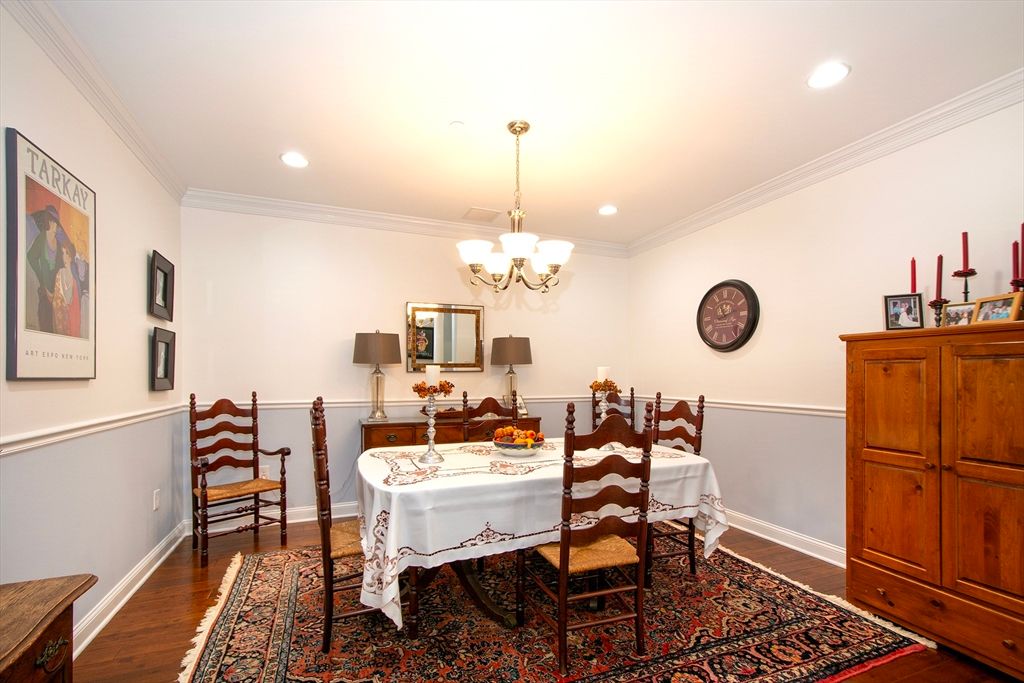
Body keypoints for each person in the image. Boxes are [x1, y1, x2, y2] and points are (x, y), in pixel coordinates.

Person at [25, 205, 63, 333]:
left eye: (55, 222)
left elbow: (60, 269)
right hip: (44, 293)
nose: (54, 225)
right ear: (48, 222)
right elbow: (31, 257)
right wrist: (43, 281)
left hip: (56, 297)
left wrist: (55, 292)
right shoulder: (41, 238)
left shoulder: (59, 245)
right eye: (51, 221)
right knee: (44, 323)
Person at [52, 239, 81, 337]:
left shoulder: (74, 280)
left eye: (67, 253)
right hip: (61, 323)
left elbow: (76, 311)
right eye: (63, 253)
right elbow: (56, 303)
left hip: (72, 325)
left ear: (71, 256)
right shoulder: (60, 273)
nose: (64, 256)